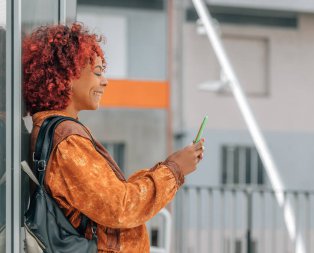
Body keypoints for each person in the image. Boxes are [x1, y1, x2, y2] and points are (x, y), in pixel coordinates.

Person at [22, 23, 205, 253]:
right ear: (66, 76)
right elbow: (121, 207)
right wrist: (174, 170)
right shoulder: (68, 141)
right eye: (98, 72)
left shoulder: (58, 132)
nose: (105, 81)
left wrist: (172, 167)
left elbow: (113, 196)